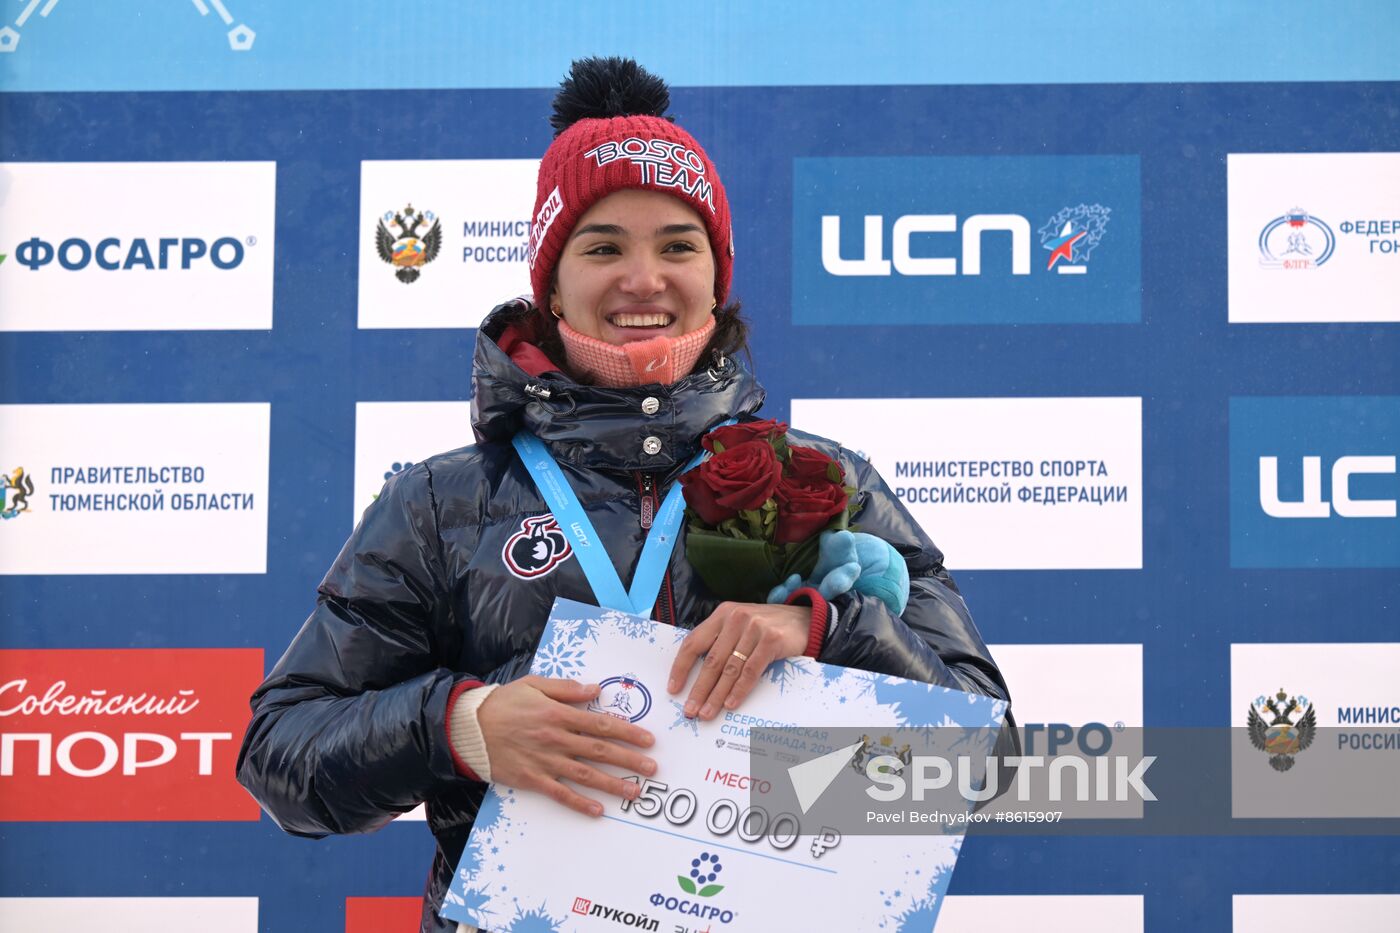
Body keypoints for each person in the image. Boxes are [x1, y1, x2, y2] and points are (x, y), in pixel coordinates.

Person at [236, 57, 1014, 933]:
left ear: (716, 279)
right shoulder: (441, 503)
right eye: (603, 246)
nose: (643, 279)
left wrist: (831, 630)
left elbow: (987, 766)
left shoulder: (822, 484)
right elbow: (282, 759)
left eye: (678, 245)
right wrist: (464, 724)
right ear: (550, 279)